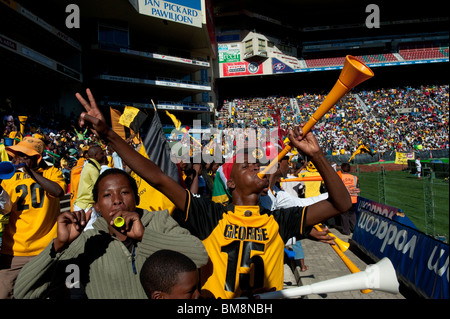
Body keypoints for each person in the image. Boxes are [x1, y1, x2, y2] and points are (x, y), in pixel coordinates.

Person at [76, 88, 352, 299]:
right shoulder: (208, 214)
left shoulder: (279, 221)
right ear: (230, 184)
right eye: (246, 165)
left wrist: (316, 155)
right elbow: (159, 178)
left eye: (257, 164)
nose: (256, 167)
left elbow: (340, 203)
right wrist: (109, 136)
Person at [13, 168, 208, 299]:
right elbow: (23, 292)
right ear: (97, 206)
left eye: (124, 192)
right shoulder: (88, 242)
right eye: (107, 195)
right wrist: (58, 245)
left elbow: (199, 256)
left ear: (136, 197)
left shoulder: (159, 222)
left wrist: (144, 237)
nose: (116, 200)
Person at [0, 136, 66, 298]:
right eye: (16, 155)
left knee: (44, 293)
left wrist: (29, 172)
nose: (18, 160)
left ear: (36, 157)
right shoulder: (10, 178)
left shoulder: (52, 172)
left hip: (46, 249)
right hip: (14, 250)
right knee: (5, 293)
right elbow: (5, 209)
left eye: (23, 156)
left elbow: (58, 192)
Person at [260, 155, 330, 272]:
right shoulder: (260, 197)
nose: (289, 165)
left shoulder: (276, 192)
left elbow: (301, 204)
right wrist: (304, 233)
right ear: (277, 165)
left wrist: (331, 196)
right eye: (287, 161)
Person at [73, 144, 107, 229]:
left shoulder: (89, 166)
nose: (104, 155)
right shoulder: (92, 169)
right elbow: (99, 188)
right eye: (101, 153)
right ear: (96, 156)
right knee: (90, 233)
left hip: (83, 205)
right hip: (86, 206)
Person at [339, 162, 359, 235]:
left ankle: (346, 230)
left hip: (344, 198)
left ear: (341, 169)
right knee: (352, 214)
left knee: (344, 214)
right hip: (353, 198)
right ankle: (354, 228)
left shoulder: (339, 177)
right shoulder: (354, 177)